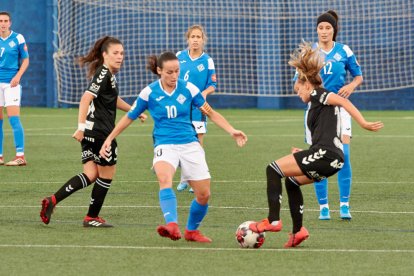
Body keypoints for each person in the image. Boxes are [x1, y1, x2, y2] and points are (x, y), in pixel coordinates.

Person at [99, 52, 247, 242]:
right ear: (159, 71)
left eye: (177, 71)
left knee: (204, 194)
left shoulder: (189, 89)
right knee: (164, 178)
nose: (174, 76)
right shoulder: (149, 92)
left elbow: (210, 113)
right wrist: (110, 138)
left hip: (189, 144)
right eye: (169, 72)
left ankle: (192, 231)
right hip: (164, 144)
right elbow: (129, 117)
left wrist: (231, 130)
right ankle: (172, 224)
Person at [249, 42, 383, 248]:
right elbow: (323, 139)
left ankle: (273, 220)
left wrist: (363, 123)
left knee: (272, 169)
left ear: (307, 85)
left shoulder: (319, 94)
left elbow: (344, 102)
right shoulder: (314, 106)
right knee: (292, 182)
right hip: (329, 157)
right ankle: (298, 231)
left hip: (327, 156)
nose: (297, 93)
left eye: (298, 89)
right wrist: (303, 153)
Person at [40, 36, 146, 227]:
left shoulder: (107, 75)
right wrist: (79, 128)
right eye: (115, 53)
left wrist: (134, 111)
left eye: (122, 53)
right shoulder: (103, 73)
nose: (120, 57)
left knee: (90, 175)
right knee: (106, 175)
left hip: (91, 134)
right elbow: (85, 99)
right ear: (104, 55)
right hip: (101, 134)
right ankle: (91, 218)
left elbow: (111, 100)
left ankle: (52, 200)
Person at [312, 10, 363, 220]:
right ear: (317, 30)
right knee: (318, 157)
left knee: (345, 156)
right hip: (316, 110)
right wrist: (308, 90)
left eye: (328, 28)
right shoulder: (310, 53)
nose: (324, 32)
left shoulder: (344, 50)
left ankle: (344, 204)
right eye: (321, 28)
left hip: (341, 108)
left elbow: (358, 76)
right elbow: (298, 83)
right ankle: (323, 207)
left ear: (334, 30)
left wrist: (351, 86)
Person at [176, 25, 217, 193]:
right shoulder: (179, 56)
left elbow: (213, 84)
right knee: (181, 142)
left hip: (198, 107)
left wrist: (205, 93)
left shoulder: (207, 60)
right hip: (181, 106)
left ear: (203, 40)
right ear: (188, 39)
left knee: (198, 143)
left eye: (198, 37)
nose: (195, 39)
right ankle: (184, 179)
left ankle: (196, 178)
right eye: (192, 36)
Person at [0, 11, 29, 166]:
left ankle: (20, 156)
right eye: (0, 21)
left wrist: (18, 76)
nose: (3, 23)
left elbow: (25, 60)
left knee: (14, 119)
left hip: (12, 84)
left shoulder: (18, 38)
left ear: (10, 23)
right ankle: (0, 156)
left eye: (5, 21)